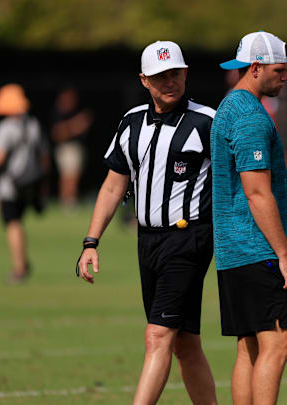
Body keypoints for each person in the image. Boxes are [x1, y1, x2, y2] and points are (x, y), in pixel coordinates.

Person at [76, 41, 218, 405]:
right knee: (184, 344)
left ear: (185, 73)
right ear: (144, 80)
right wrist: (91, 242)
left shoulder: (207, 121)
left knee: (157, 335)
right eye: (159, 76)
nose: (169, 81)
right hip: (147, 242)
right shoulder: (131, 122)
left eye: (175, 73)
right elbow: (113, 185)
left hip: (189, 240)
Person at [211, 31, 287, 405]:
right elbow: (257, 191)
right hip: (257, 249)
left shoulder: (228, 107)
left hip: (233, 251)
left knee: (249, 347)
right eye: (279, 70)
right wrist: (284, 256)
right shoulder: (250, 116)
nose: (285, 78)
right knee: (279, 341)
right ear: (254, 68)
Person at [0, 83, 49, 284]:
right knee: (18, 221)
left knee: (12, 223)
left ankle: (19, 268)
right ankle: (23, 263)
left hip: (9, 183)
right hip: (29, 181)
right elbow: (44, 156)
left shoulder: (6, 128)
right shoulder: (33, 124)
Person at [50, 85, 93, 210]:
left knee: (74, 175)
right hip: (66, 148)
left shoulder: (74, 111)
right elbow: (57, 134)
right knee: (68, 176)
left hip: (76, 147)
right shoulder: (58, 113)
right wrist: (76, 125)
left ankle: (70, 200)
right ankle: (67, 202)